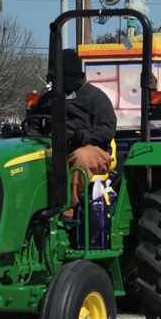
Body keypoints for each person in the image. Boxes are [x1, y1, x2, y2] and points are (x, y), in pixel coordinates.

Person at [30, 49, 117, 218]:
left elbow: (107, 129)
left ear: (70, 75)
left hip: (92, 149)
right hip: (54, 148)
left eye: (57, 73)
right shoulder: (47, 99)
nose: (53, 77)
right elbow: (33, 126)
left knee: (81, 157)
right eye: (52, 72)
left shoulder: (95, 97)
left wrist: (80, 136)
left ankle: (69, 210)